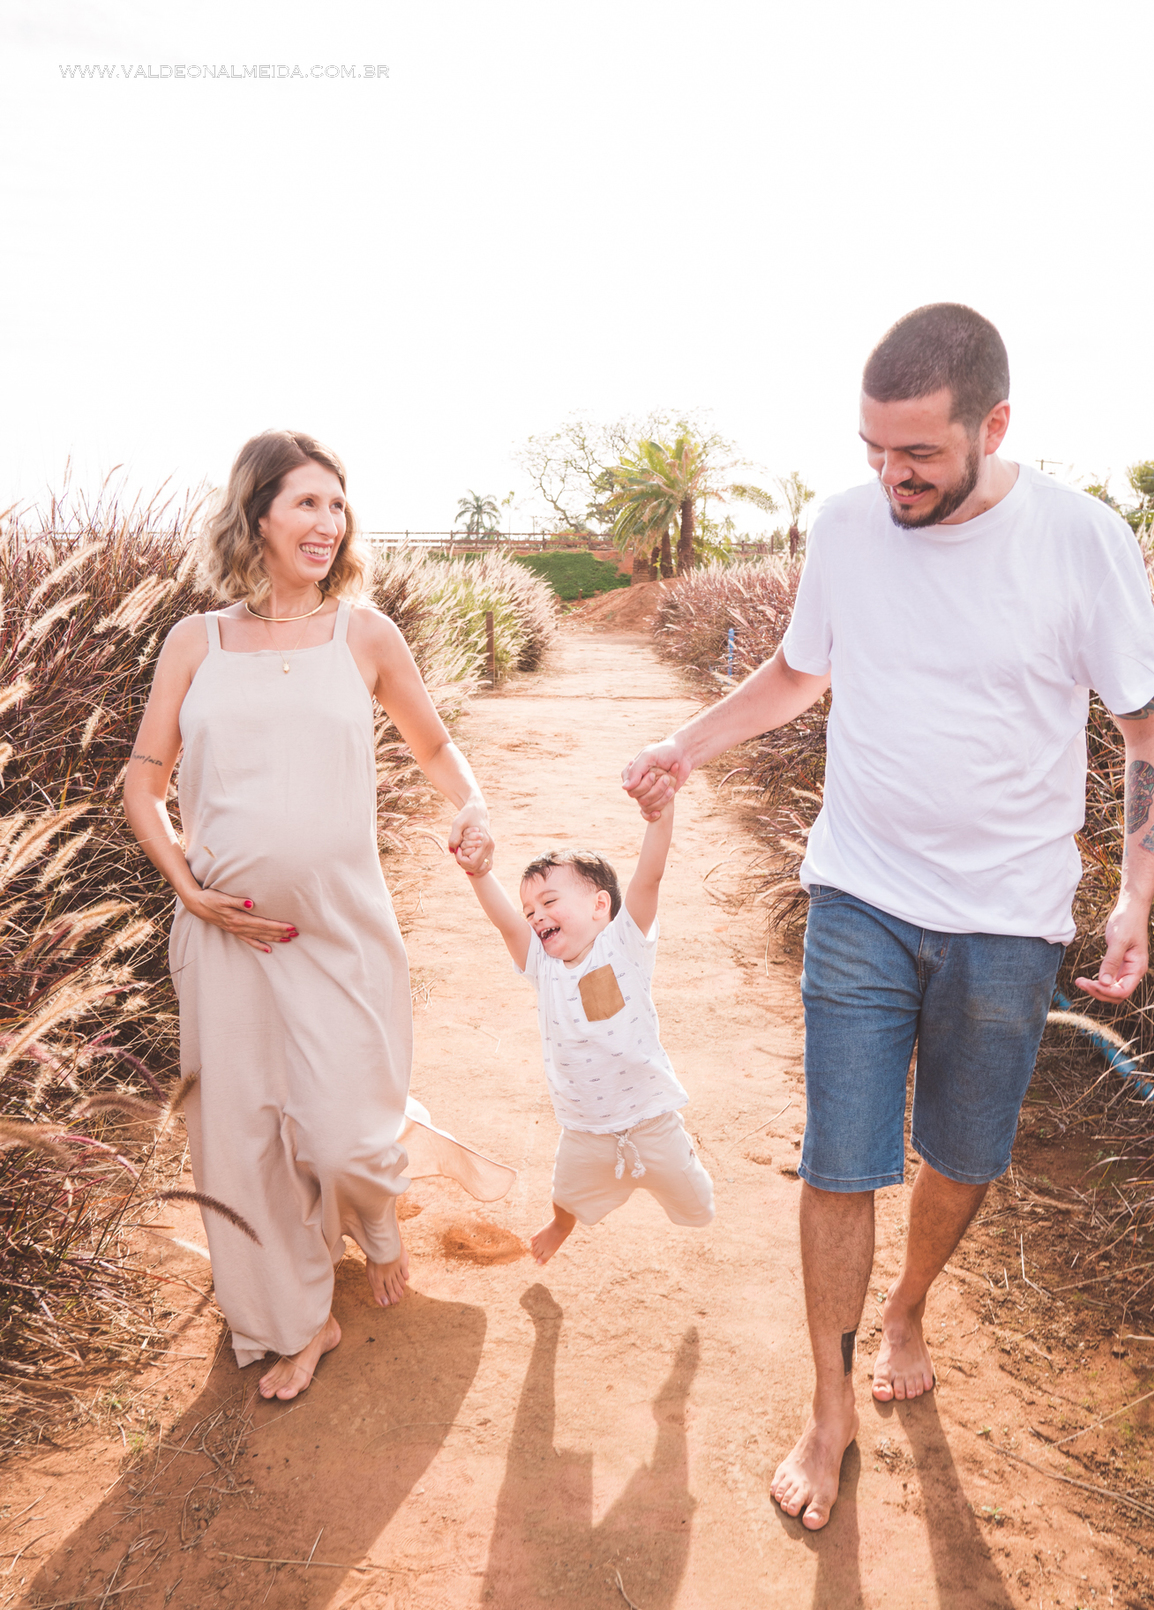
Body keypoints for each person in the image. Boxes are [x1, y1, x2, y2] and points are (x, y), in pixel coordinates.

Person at [623, 303, 1154, 1529]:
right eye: (874, 448)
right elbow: (798, 670)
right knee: (840, 1159)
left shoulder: (1083, 544)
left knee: (964, 1157)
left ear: (994, 425)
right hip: (862, 892)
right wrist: (689, 744)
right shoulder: (846, 527)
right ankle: (826, 1413)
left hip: (1011, 919)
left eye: (919, 454)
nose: (891, 476)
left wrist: (1133, 892)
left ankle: (912, 1302)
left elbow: (1149, 725)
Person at [124, 430, 499, 1401]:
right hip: (221, 940)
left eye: (338, 505)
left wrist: (475, 806)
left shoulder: (363, 635)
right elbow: (142, 780)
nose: (329, 523)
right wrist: (183, 882)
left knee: (344, 1132)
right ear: (257, 516)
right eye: (307, 504)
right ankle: (300, 1321)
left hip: (337, 933)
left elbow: (435, 745)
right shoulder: (194, 642)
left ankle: (373, 1213)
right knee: (242, 1145)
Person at [454, 799, 714, 1263]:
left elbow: (649, 876)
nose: (535, 916)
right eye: (530, 909)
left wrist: (662, 815)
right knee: (567, 1190)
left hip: (651, 1117)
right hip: (585, 1124)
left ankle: (693, 1207)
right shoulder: (542, 965)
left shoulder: (624, 944)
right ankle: (561, 1225)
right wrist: (478, 873)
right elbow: (504, 922)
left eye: (549, 902)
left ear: (600, 906)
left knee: (694, 1199)